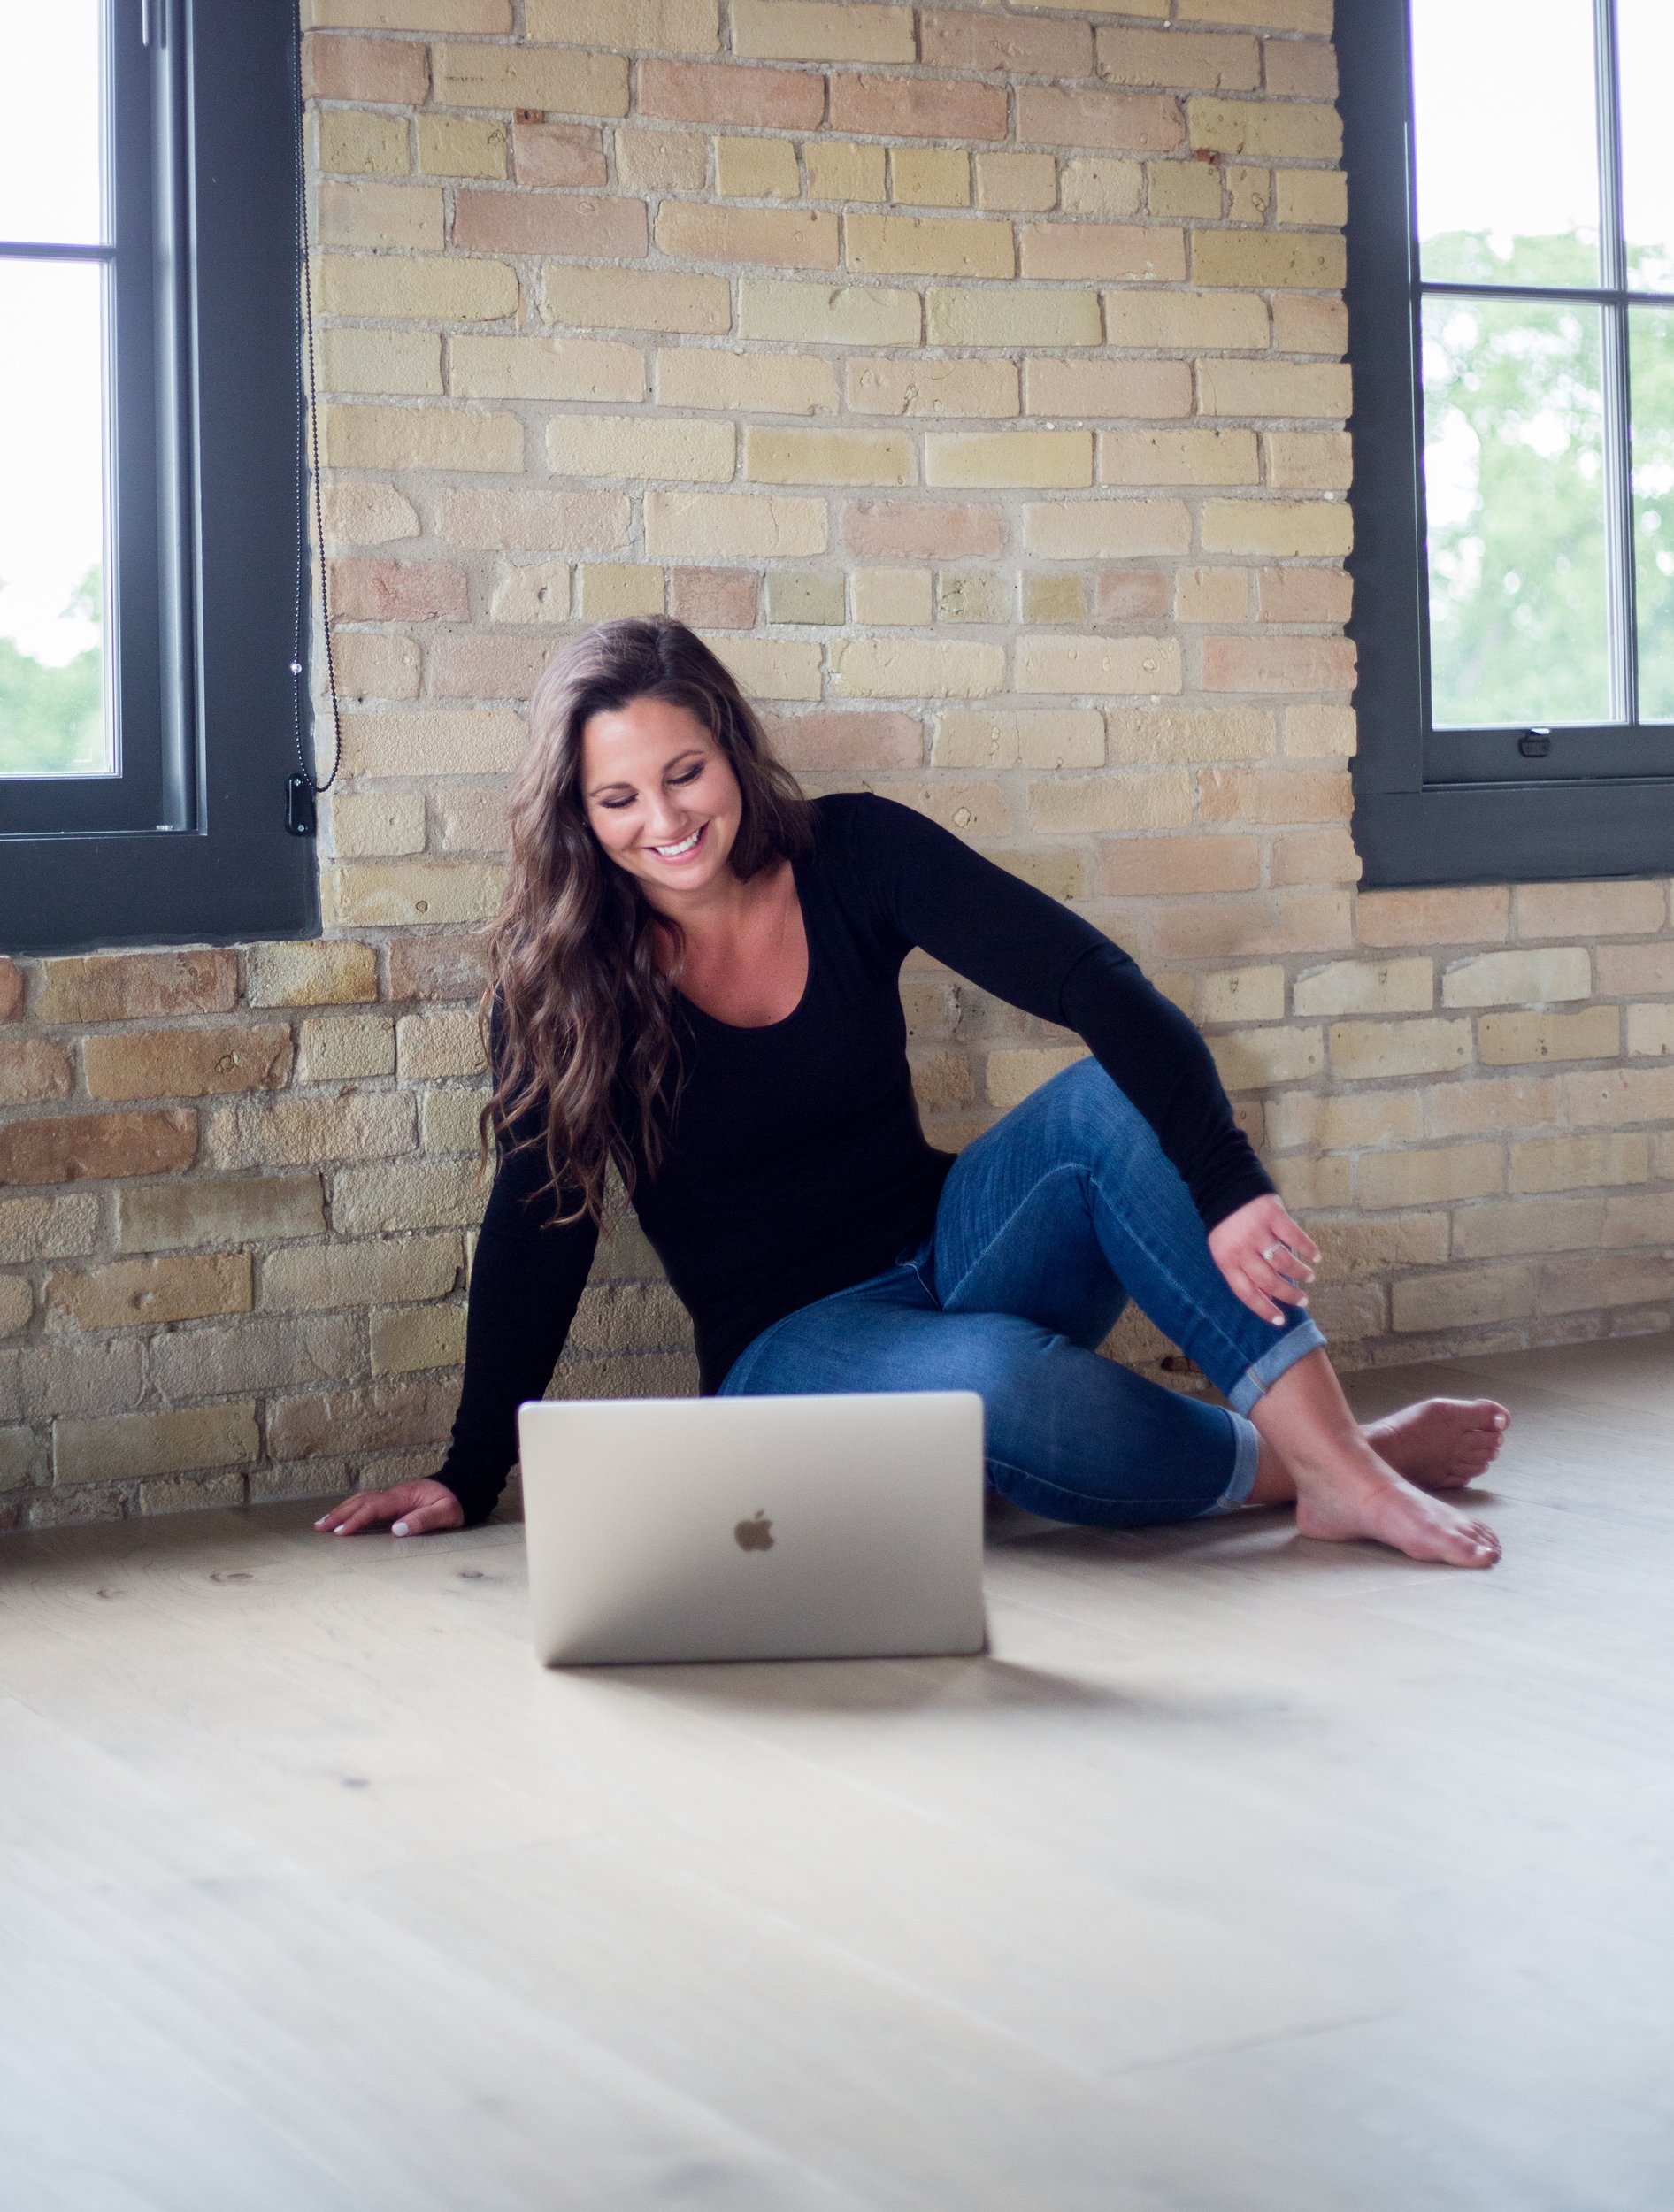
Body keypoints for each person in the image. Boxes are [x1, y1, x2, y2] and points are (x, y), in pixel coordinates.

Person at [317, 618, 1507, 1568]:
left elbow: (1092, 977)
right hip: (787, 1350)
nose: (667, 821)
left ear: (731, 747)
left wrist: (1228, 1182)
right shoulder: (558, 981)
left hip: (953, 1248)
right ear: (579, 813)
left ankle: (1339, 1468)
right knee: (992, 1382)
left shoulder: (856, 854)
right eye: (618, 799)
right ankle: (1311, 1462)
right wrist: (472, 1471)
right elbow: (540, 1226)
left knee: (1103, 1106)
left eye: (684, 774)